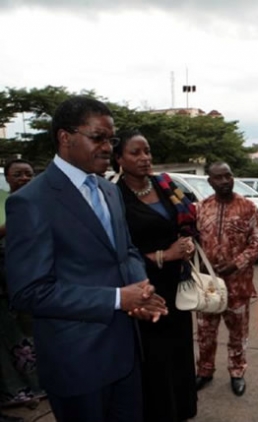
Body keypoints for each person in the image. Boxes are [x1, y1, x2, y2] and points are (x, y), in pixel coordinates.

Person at [4, 96, 168, 422]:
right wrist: (118, 298)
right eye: (98, 138)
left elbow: (127, 251)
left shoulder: (109, 190)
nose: (108, 147)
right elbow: (28, 291)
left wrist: (141, 291)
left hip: (126, 353)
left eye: (111, 139)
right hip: (77, 362)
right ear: (65, 137)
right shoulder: (31, 202)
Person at [113, 130, 198, 422]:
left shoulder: (166, 185)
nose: (144, 158)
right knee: (154, 357)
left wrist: (186, 243)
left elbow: (187, 224)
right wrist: (164, 255)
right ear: (119, 158)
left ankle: (182, 410)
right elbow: (118, 253)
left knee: (180, 350)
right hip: (143, 287)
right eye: (135, 153)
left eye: (146, 151)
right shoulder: (114, 196)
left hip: (178, 284)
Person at [195, 162, 258, 396]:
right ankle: (204, 371)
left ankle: (237, 372)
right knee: (205, 332)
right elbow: (192, 242)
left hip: (238, 284)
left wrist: (236, 263)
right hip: (208, 286)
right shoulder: (201, 208)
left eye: (228, 175)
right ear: (210, 182)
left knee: (238, 333)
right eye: (219, 177)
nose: (225, 181)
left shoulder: (247, 207)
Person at [0, 160, 42, 422]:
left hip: (37, 275)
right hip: (6, 276)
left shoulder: (41, 201)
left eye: (29, 173)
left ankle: (42, 383)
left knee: (35, 330)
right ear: (7, 178)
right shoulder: (4, 203)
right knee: (11, 336)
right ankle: (18, 390)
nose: (24, 178)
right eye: (18, 174)